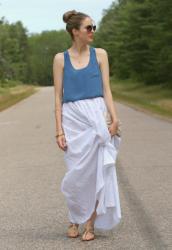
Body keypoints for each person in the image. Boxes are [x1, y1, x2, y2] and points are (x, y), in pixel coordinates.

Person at [53, 10, 122, 241]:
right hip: (73, 119)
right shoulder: (60, 59)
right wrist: (59, 130)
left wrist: (115, 118)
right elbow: (57, 97)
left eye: (94, 27)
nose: (93, 31)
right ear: (75, 32)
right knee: (77, 174)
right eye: (88, 28)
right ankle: (74, 218)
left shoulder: (100, 54)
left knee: (96, 172)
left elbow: (107, 90)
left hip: (96, 116)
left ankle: (90, 224)